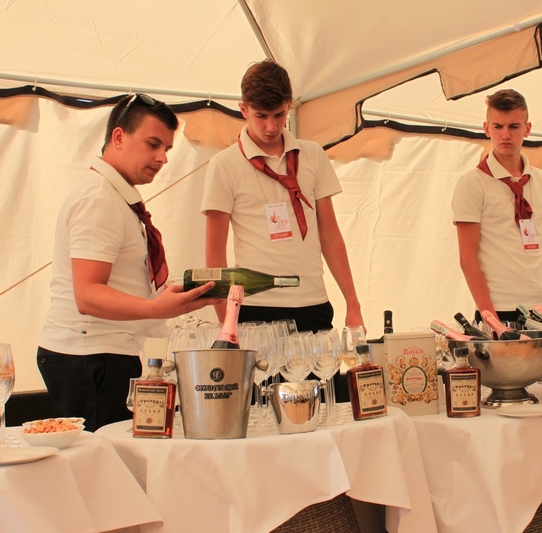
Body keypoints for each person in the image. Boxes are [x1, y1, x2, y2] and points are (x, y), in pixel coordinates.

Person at [37, 94, 221, 432]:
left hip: (103, 353)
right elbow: (87, 294)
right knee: (104, 458)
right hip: (89, 355)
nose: (162, 157)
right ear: (119, 137)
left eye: (167, 148)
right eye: (153, 144)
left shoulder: (114, 197)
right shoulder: (99, 200)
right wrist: (156, 309)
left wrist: (171, 298)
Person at [202, 60, 363, 333]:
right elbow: (215, 256)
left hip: (313, 302)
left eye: (279, 115)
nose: (271, 126)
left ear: (290, 105)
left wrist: (353, 303)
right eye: (261, 116)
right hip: (254, 306)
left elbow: (330, 236)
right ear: (243, 110)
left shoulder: (313, 155)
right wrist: (226, 322)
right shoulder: (224, 164)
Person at [452, 89, 542, 324]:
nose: (505, 135)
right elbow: (467, 259)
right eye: (498, 127)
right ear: (487, 129)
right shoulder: (472, 183)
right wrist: (491, 319)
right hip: (501, 308)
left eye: (514, 126)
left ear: (527, 129)